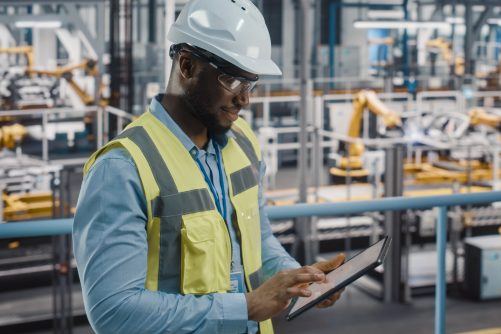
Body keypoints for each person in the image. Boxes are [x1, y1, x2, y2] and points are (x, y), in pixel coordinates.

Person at [72, 0, 344, 332]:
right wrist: (245, 306)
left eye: (251, 84)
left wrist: (299, 277)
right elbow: (114, 313)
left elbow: (257, 243)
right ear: (186, 66)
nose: (245, 99)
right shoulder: (121, 169)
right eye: (232, 80)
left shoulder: (243, 141)